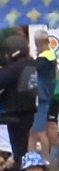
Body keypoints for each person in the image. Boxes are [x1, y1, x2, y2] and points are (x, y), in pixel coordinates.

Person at [0, 35, 38, 165]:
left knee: (19, 150)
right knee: (29, 146)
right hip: (33, 111)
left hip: (17, 113)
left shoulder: (14, 67)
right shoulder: (34, 63)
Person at [31, 29, 56, 159]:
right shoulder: (51, 55)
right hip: (47, 96)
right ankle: (48, 157)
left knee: (39, 132)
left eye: (37, 43)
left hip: (42, 98)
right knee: (41, 130)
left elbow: (32, 68)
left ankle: (45, 159)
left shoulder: (44, 58)